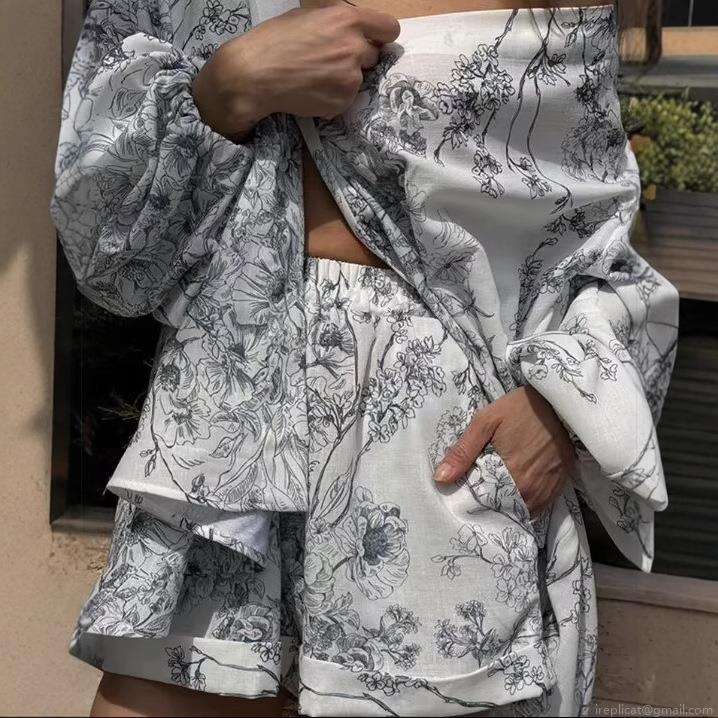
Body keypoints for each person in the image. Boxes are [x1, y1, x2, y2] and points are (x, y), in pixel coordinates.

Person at [49, 0, 678, 716]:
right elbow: (106, 251)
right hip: (227, 430)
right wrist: (227, 87)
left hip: (442, 453)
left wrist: (558, 411)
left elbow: (595, 243)